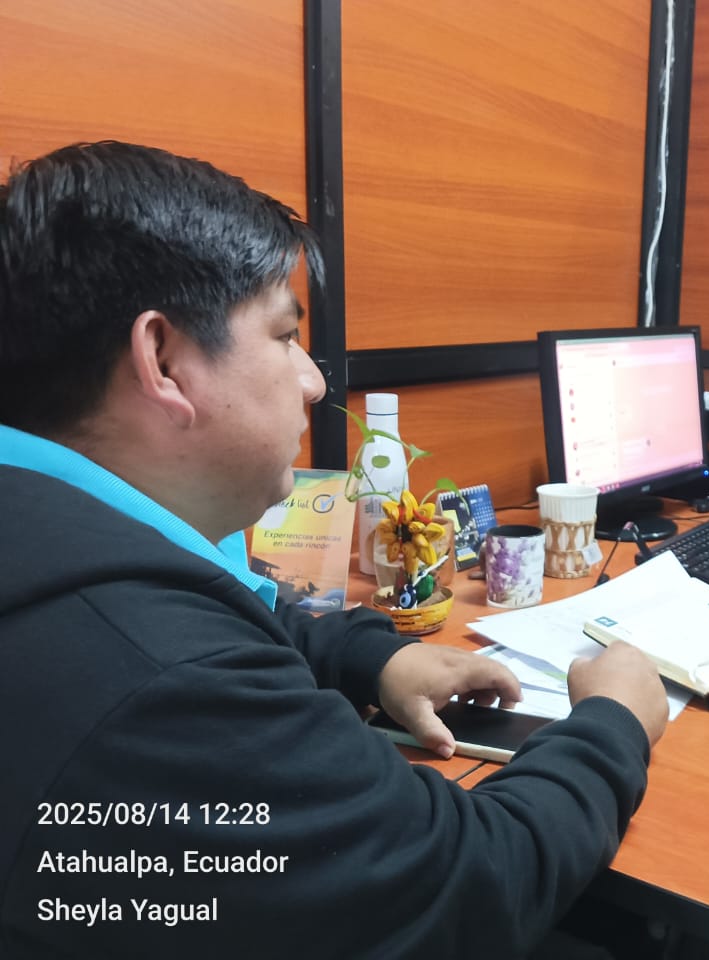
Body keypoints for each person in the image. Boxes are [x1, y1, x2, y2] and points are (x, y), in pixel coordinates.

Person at [0, 141, 669, 958]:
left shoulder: (57, 534)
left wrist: (370, 657)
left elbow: (229, 602)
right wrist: (614, 723)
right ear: (164, 360)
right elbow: (468, 882)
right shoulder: (161, 676)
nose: (314, 383)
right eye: (285, 337)